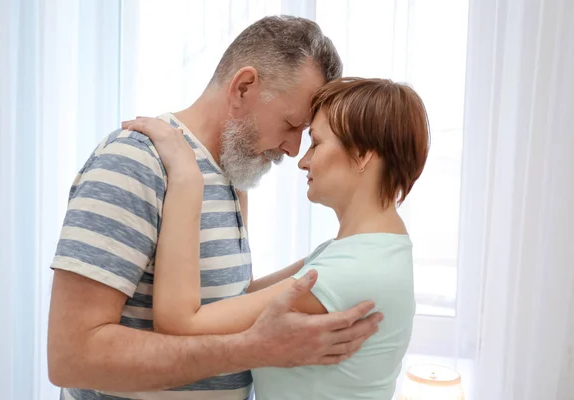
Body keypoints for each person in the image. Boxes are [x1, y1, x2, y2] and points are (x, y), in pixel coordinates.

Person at [47, 16, 383, 400]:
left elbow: (224, 302)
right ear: (243, 87)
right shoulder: (136, 161)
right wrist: (255, 349)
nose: (293, 150)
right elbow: (71, 356)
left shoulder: (231, 176)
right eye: (291, 124)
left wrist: (332, 262)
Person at [121, 76, 430, 399]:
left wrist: (185, 177)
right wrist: (236, 174)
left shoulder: (353, 272)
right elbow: (245, 296)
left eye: (316, 143)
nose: (303, 160)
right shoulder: (367, 251)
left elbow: (180, 323)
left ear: (364, 154)